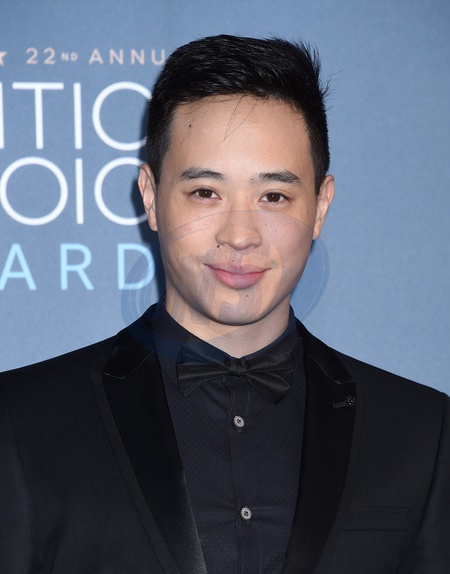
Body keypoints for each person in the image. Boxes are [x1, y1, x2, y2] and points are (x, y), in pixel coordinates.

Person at [0, 35, 448, 574]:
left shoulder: (421, 431)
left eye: (274, 197)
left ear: (320, 206)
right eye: (205, 193)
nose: (240, 235)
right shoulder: (22, 420)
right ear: (151, 197)